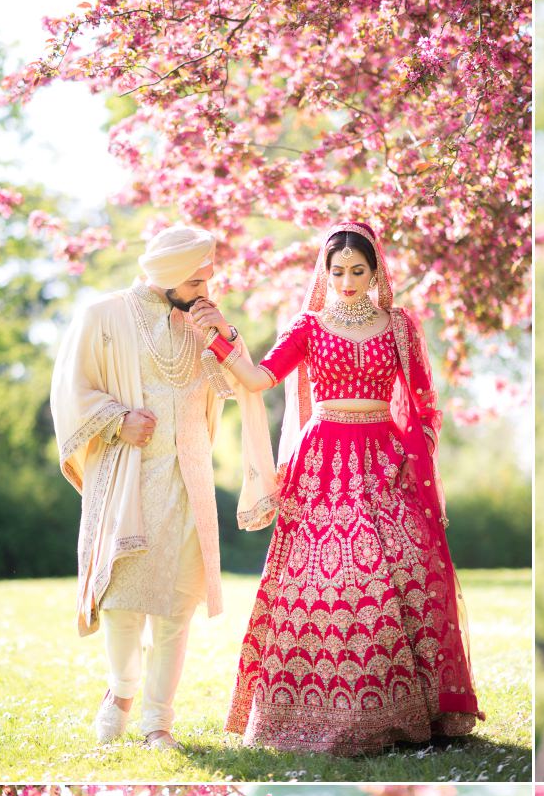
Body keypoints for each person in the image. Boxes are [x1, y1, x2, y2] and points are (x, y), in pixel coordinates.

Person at [191, 220, 483, 756]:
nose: (347, 282)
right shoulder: (308, 326)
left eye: (357, 271)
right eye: (337, 271)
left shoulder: (399, 327)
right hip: (324, 462)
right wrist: (221, 335)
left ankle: (404, 709)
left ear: (376, 273)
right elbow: (259, 380)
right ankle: (305, 712)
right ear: (323, 274)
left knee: (406, 568)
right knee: (319, 581)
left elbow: (422, 407)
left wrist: (417, 470)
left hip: (384, 459)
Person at [50, 225, 274, 750]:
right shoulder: (103, 316)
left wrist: (223, 336)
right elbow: (69, 387)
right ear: (171, 276)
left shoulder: (206, 324)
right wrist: (115, 419)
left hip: (190, 478)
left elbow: (244, 383)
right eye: (197, 281)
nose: (206, 290)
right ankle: (122, 692)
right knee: (125, 596)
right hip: (129, 476)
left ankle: (158, 721)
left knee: (178, 604)